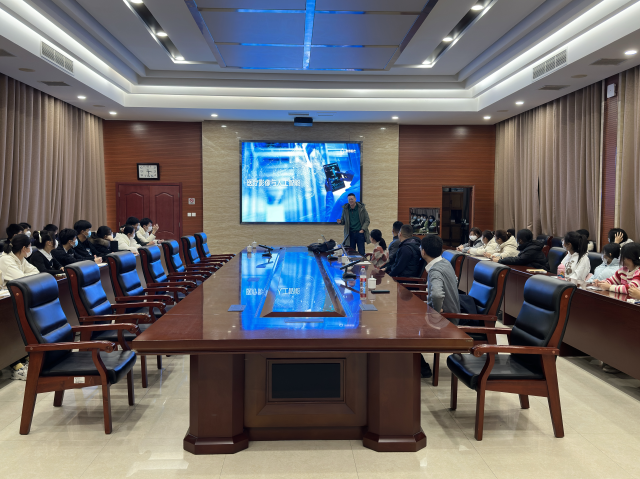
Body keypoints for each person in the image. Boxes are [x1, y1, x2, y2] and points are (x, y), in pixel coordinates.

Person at [419, 234, 461, 378]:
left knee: (406, 327)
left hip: (447, 320)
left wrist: (435, 311)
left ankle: (421, 368)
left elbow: (437, 294)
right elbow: (455, 280)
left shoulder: (435, 270)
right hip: (451, 313)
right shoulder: (445, 262)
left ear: (423, 251)